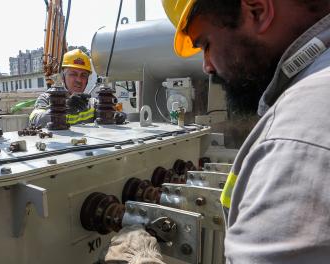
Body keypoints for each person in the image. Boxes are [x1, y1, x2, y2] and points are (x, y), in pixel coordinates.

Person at [101, 0, 330, 263]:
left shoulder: (293, 138)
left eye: (205, 44)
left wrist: (142, 259)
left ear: (258, 12)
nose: (206, 66)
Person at [29, 49, 95, 127]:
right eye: (73, 74)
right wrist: (64, 107)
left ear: (87, 79)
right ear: (63, 76)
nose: (79, 80)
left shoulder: (92, 104)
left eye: (83, 75)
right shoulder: (47, 99)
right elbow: (34, 120)